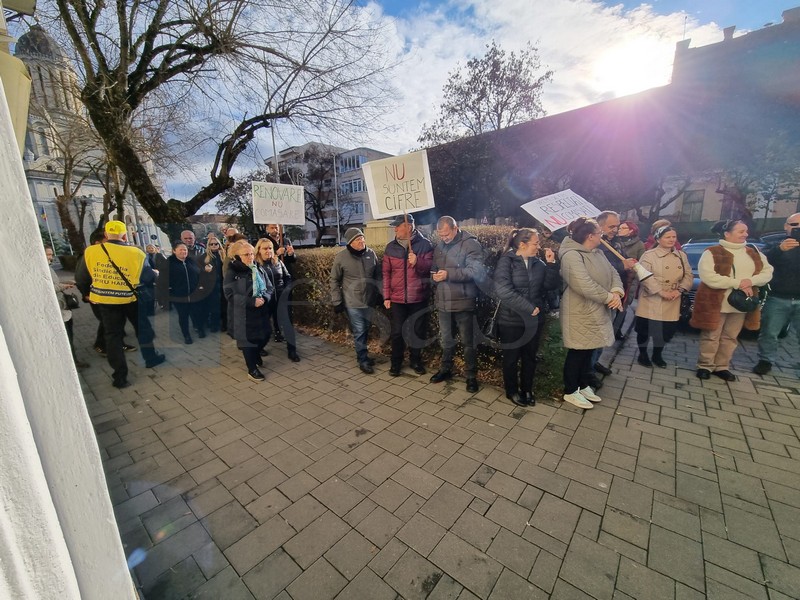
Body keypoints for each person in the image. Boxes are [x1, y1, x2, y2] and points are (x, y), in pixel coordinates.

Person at [75, 220, 165, 388]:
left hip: (105, 301)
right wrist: (155, 274)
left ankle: (119, 376)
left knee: (113, 337)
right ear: (124, 235)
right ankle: (151, 358)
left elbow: (81, 278)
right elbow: (146, 277)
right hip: (131, 298)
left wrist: (87, 294)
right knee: (142, 329)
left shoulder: (91, 252)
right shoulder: (136, 253)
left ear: (107, 235)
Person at [690, 219, 773, 381]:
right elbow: (708, 277)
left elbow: (767, 272)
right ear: (727, 234)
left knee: (730, 336)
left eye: (746, 231)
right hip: (716, 304)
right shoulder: (712, 252)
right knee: (711, 336)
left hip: (742, 304)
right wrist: (738, 283)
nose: (746, 234)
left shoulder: (753, 251)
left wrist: (750, 282)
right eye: (741, 231)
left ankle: (722, 366)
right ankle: (705, 365)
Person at [559, 217, 624, 409]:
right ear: (590, 236)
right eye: (599, 233)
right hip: (580, 311)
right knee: (578, 351)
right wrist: (609, 298)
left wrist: (617, 291)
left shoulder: (597, 253)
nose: (602, 236)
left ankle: (583, 384)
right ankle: (571, 390)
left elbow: (614, 274)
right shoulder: (571, 255)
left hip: (598, 310)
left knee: (589, 349)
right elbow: (582, 284)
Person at [493, 228, 560, 407]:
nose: (538, 247)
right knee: (511, 357)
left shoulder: (538, 263)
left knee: (530, 356)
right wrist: (529, 308)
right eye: (535, 243)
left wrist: (552, 265)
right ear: (522, 244)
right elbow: (504, 291)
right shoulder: (506, 261)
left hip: (534, 320)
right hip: (511, 319)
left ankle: (527, 389)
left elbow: (550, 286)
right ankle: (512, 391)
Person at [430, 216, 486, 393]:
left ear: (455, 228)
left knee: (468, 342)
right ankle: (446, 369)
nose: (444, 238)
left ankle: (471, 377)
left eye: (446, 234)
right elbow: (434, 267)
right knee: (446, 339)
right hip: (444, 300)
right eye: (441, 235)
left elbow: (476, 271)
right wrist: (434, 275)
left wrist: (448, 274)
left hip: (463, 301)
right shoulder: (439, 246)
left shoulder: (471, 244)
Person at [634, 226, 693, 367]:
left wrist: (679, 290)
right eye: (668, 237)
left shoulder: (681, 255)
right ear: (658, 239)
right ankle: (643, 355)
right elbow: (643, 275)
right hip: (652, 297)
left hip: (673, 297)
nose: (671, 240)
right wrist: (660, 292)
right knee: (645, 329)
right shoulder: (649, 255)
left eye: (674, 237)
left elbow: (689, 275)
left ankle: (657, 355)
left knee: (665, 330)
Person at [382, 214, 434, 376]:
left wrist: (418, 262)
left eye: (398, 226)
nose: (395, 229)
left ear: (409, 227)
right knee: (397, 332)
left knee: (417, 331)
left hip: (418, 297)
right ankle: (396, 362)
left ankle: (415, 361)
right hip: (397, 299)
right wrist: (386, 296)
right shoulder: (390, 247)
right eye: (395, 226)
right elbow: (386, 273)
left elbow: (431, 268)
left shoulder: (425, 245)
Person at [754, 213, 800, 375]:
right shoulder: (773, 242)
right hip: (778, 297)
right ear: (786, 226)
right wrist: (779, 250)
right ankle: (765, 361)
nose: (798, 228)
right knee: (769, 332)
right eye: (794, 224)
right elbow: (760, 262)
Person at [330, 228, 381, 374]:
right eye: (358, 239)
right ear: (350, 242)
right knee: (359, 330)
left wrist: (381, 294)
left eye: (363, 238)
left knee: (366, 328)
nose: (362, 241)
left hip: (369, 301)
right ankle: (363, 360)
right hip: (353, 302)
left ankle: (362, 354)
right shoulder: (341, 257)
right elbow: (334, 280)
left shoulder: (371, 254)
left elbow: (377, 276)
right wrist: (337, 301)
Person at [223, 240, 274, 382]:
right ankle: (252, 369)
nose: (250, 257)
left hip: (261, 311)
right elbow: (229, 294)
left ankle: (256, 354)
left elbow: (269, 287)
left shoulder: (257, 267)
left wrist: (264, 298)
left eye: (251, 253)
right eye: (246, 254)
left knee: (265, 336)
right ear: (236, 256)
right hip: (243, 314)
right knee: (248, 342)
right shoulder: (233, 271)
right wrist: (252, 301)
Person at [593, 211, 637, 375]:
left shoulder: (616, 243)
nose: (615, 229)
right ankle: (588, 370)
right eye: (611, 226)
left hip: (616, 293)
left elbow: (620, 261)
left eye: (617, 226)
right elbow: (600, 269)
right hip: (602, 295)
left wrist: (628, 262)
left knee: (606, 332)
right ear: (600, 225)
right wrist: (622, 266)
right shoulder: (595, 244)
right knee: (598, 332)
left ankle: (596, 360)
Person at [255, 238, 300, 362]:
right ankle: (258, 349)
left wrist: (287, 290)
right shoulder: (255, 265)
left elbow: (287, 277)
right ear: (258, 250)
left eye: (270, 248)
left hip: (282, 299)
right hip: (266, 301)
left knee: (288, 326)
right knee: (264, 329)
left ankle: (292, 351)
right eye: (265, 248)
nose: (268, 251)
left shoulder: (278, 262)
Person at [45, 246, 89, 370]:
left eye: (51, 254)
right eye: (48, 254)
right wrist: (63, 286)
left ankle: (74, 361)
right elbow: (49, 288)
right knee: (67, 337)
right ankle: (72, 363)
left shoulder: (48, 268)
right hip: (59, 307)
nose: (51, 257)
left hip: (63, 306)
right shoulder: (41, 270)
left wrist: (67, 282)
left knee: (70, 334)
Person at [159, 241, 204, 344]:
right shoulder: (168, 263)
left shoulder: (191, 261)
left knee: (196, 313)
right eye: (181, 249)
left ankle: (199, 328)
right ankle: (186, 335)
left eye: (185, 250)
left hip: (194, 294)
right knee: (183, 316)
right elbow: (163, 280)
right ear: (174, 251)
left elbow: (198, 274)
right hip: (179, 296)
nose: (183, 251)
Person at [198, 236, 226, 333]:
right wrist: (205, 271)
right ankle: (215, 324)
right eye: (211, 244)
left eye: (216, 244)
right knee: (214, 307)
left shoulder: (223, 255)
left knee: (224, 305)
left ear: (219, 245)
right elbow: (198, 272)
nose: (214, 246)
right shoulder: (203, 257)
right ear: (208, 246)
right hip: (211, 286)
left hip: (223, 285)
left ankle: (224, 324)